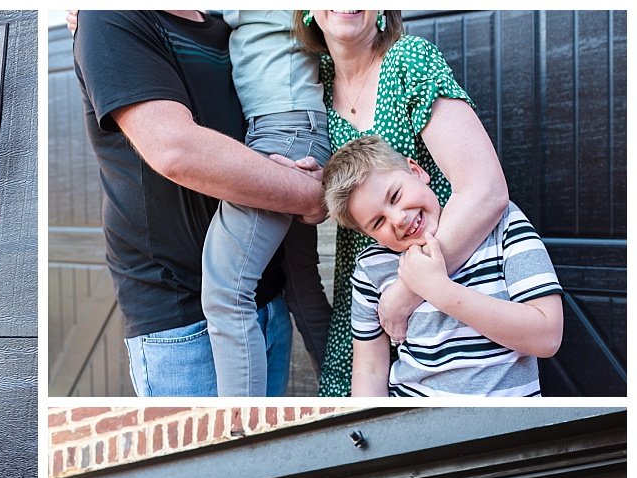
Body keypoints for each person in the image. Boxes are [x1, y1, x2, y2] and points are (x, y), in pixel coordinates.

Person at [71, 10, 327, 396]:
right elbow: (175, 150)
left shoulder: (224, 26)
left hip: (266, 300)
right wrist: (311, 195)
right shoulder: (110, 16)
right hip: (181, 322)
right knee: (226, 447)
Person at [296, 10, 513, 395]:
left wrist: (407, 292)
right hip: (365, 289)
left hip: (451, 268)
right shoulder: (310, 79)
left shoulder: (407, 59)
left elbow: (486, 189)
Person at [322, 136, 562, 396]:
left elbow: (547, 337)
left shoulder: (501, 223)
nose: (399, 218)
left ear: (416, 171)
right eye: (378, 222)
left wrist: (437, 290)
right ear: (369, 235)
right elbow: (369, 370)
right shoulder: (371, 268)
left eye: (395, 195)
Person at [202, 11, 333, 394]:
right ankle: (347, 391)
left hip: (283, 131)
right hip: (296, 127)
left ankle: (240, 428)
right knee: (301, 284)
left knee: (226, 292)